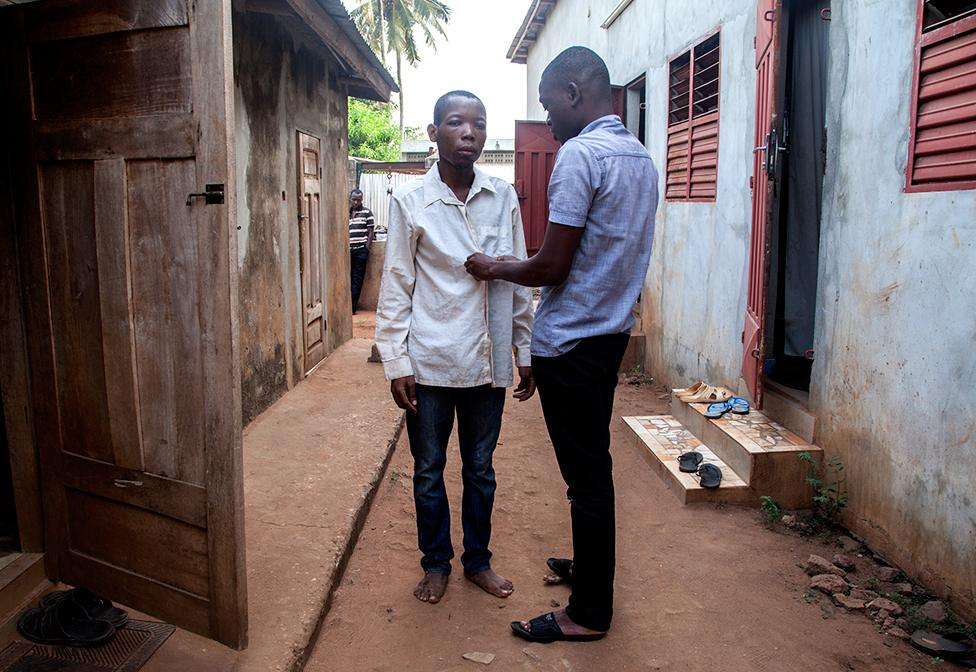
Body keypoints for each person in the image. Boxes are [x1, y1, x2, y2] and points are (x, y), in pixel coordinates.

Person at [465, 46, 659, 642]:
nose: (547, 121)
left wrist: (495, 267)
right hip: (608, 339)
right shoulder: (641, 157)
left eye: (549, 106)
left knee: (587, 478)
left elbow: (551, 265)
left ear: (575, 94)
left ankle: (588, 614)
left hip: (572, 344)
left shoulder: (580, 154)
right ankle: (589, 570)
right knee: (592, 466)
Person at [375, 90, 535, 605]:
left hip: (487, 364)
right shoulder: (411, 202)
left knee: (480, 470)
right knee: (428, 471)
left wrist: (524, 350)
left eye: (478, 124)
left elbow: (515, 276)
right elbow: (397, 284)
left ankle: (477, 561)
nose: (469, 132)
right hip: (430, 361)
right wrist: (397, 362)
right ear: (434, 132)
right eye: (455, 123)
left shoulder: (502, 195)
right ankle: (436, 563)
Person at [349, 188, 374, 313]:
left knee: (357, 280)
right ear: (350, 199)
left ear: (362, 200)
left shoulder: (367, 213)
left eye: (358, 200)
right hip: (347, 252)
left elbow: (371, 232)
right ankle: (346, 306)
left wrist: (366, 249)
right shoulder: (346, 213)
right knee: (347, 278)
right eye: (354, 200)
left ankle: (352, 308)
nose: (356, 202)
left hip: (360, 251)